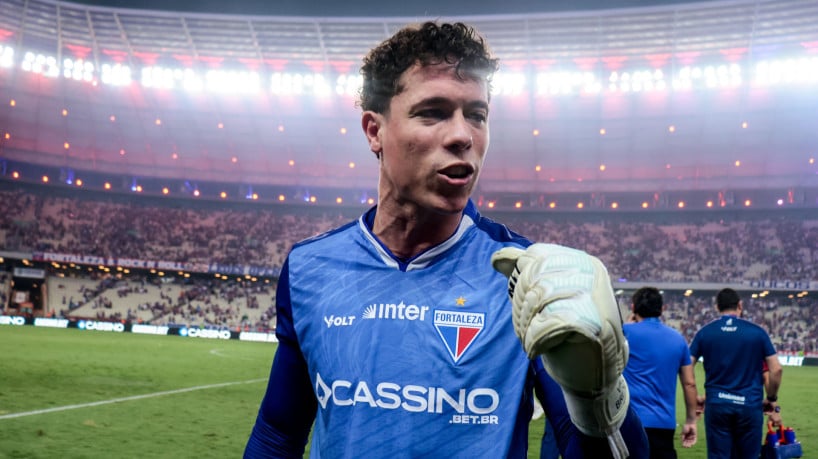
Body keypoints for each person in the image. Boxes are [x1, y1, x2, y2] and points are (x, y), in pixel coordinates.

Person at [244, 21, 648, 458]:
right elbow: (278, 433)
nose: (462, 136)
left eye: (476, 115)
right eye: (432, 112)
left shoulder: (524, 275)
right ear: (374, 131)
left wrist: (598, 398)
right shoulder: (311, 267)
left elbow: (596, 447)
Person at [689, 288, 783, 459]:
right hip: (749, 406)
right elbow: (776, 369)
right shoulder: (757, 333)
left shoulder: (704, 332)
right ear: (740, 305)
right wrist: (772, 400)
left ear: (717, 307)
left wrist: (694, 396)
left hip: (717, 405)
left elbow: (687, 366)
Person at [622, 287, 698, 459]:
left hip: (628, 422)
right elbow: (689, 383)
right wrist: (691, 421)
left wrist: (627, 323)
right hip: (663, 424)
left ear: (633, 308)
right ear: (662, 309)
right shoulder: (678, 339)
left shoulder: (624, 333)